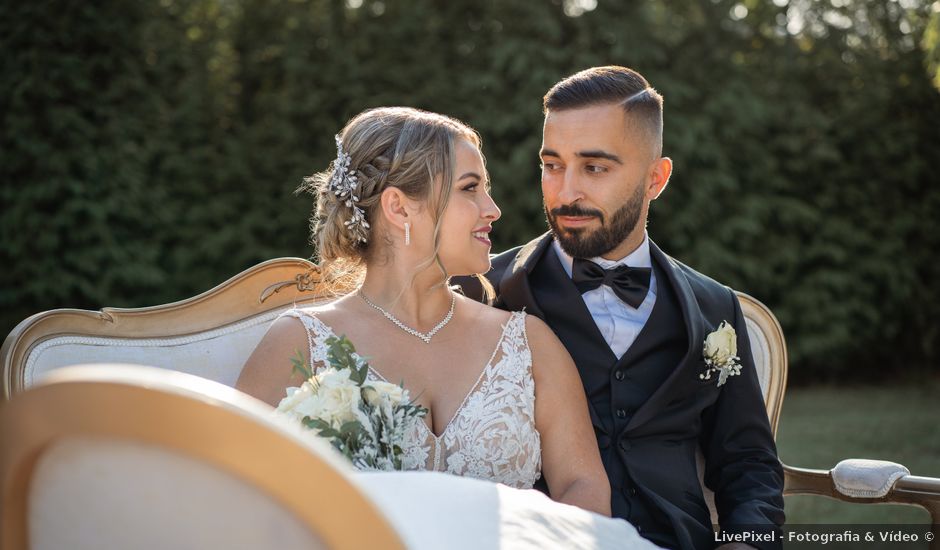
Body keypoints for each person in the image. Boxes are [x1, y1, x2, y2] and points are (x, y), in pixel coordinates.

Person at [455, 67, 785, 549]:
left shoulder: (715, 307)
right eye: (552, 165)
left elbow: (748, 465)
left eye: (595, 168)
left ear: (656, 178)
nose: (566, 192)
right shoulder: (484, 292)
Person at [236, 107, 612, 517]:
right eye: (470, 189)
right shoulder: (300, 344)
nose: (493, 209)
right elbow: (232, 497)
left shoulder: (528, 343)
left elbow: (583, 485)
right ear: (398, 208)